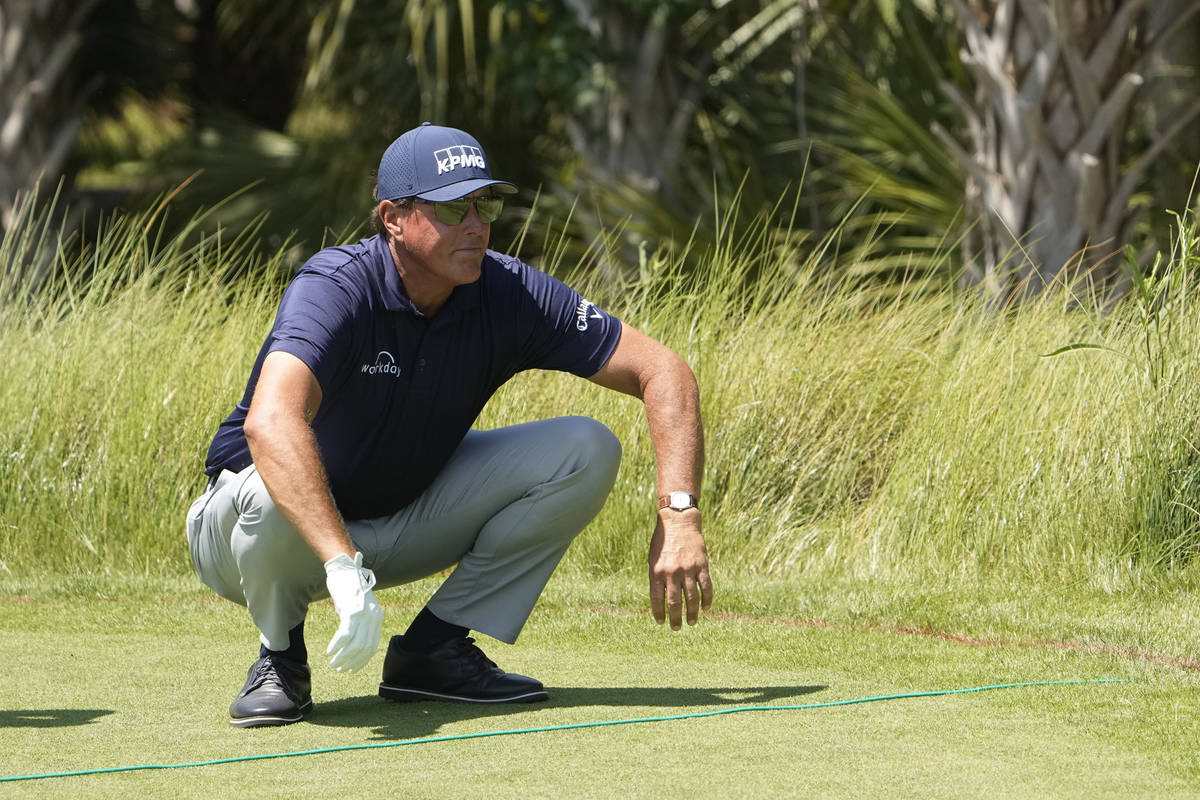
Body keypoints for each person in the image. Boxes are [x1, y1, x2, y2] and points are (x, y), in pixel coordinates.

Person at [185, 122, 712, 728]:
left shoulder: (506, 289)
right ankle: (280, 657)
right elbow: (270, 425)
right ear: (393, 217)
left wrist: (680, 514)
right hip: (244, 535)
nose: (476, 224)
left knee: (585, 448)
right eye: (449, 207)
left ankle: (433, 650)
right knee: (270, 484)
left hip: (392, 519)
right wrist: (341, 567)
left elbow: (663, 370)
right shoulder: (335, 286)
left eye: (483, 203)